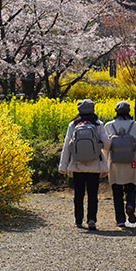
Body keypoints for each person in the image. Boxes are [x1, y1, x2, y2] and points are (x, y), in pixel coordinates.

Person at [58, 98, 108, 230]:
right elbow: (107, 144)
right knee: (93, 194)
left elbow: (66, 146)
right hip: (94, 165)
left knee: (78, 194)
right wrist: (99, 146)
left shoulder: (73, 125)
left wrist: (63, 167)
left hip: (77, 165)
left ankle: (78, 220)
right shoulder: (98, 124)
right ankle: (91, 219)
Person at [104, 100, 136, 227]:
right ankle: (130, 205)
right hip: (131, 162)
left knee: (116, 191)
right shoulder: (135, 125)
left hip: (114, 163)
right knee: (130, 188)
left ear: (116, 112)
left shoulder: (109, 126)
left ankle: (120, 220)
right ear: (128, 112)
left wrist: (104, 166)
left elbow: (105, 148)